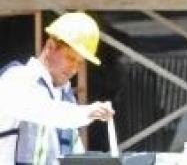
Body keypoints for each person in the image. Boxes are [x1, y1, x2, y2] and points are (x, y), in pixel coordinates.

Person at [0, 12, 115, 164]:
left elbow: (74, 154)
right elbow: (42, 110)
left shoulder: (65, 97)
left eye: (79, 63)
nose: (74, 68)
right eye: (70, 58)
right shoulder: (16, 79)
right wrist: (86, 112)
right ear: (50, 47)